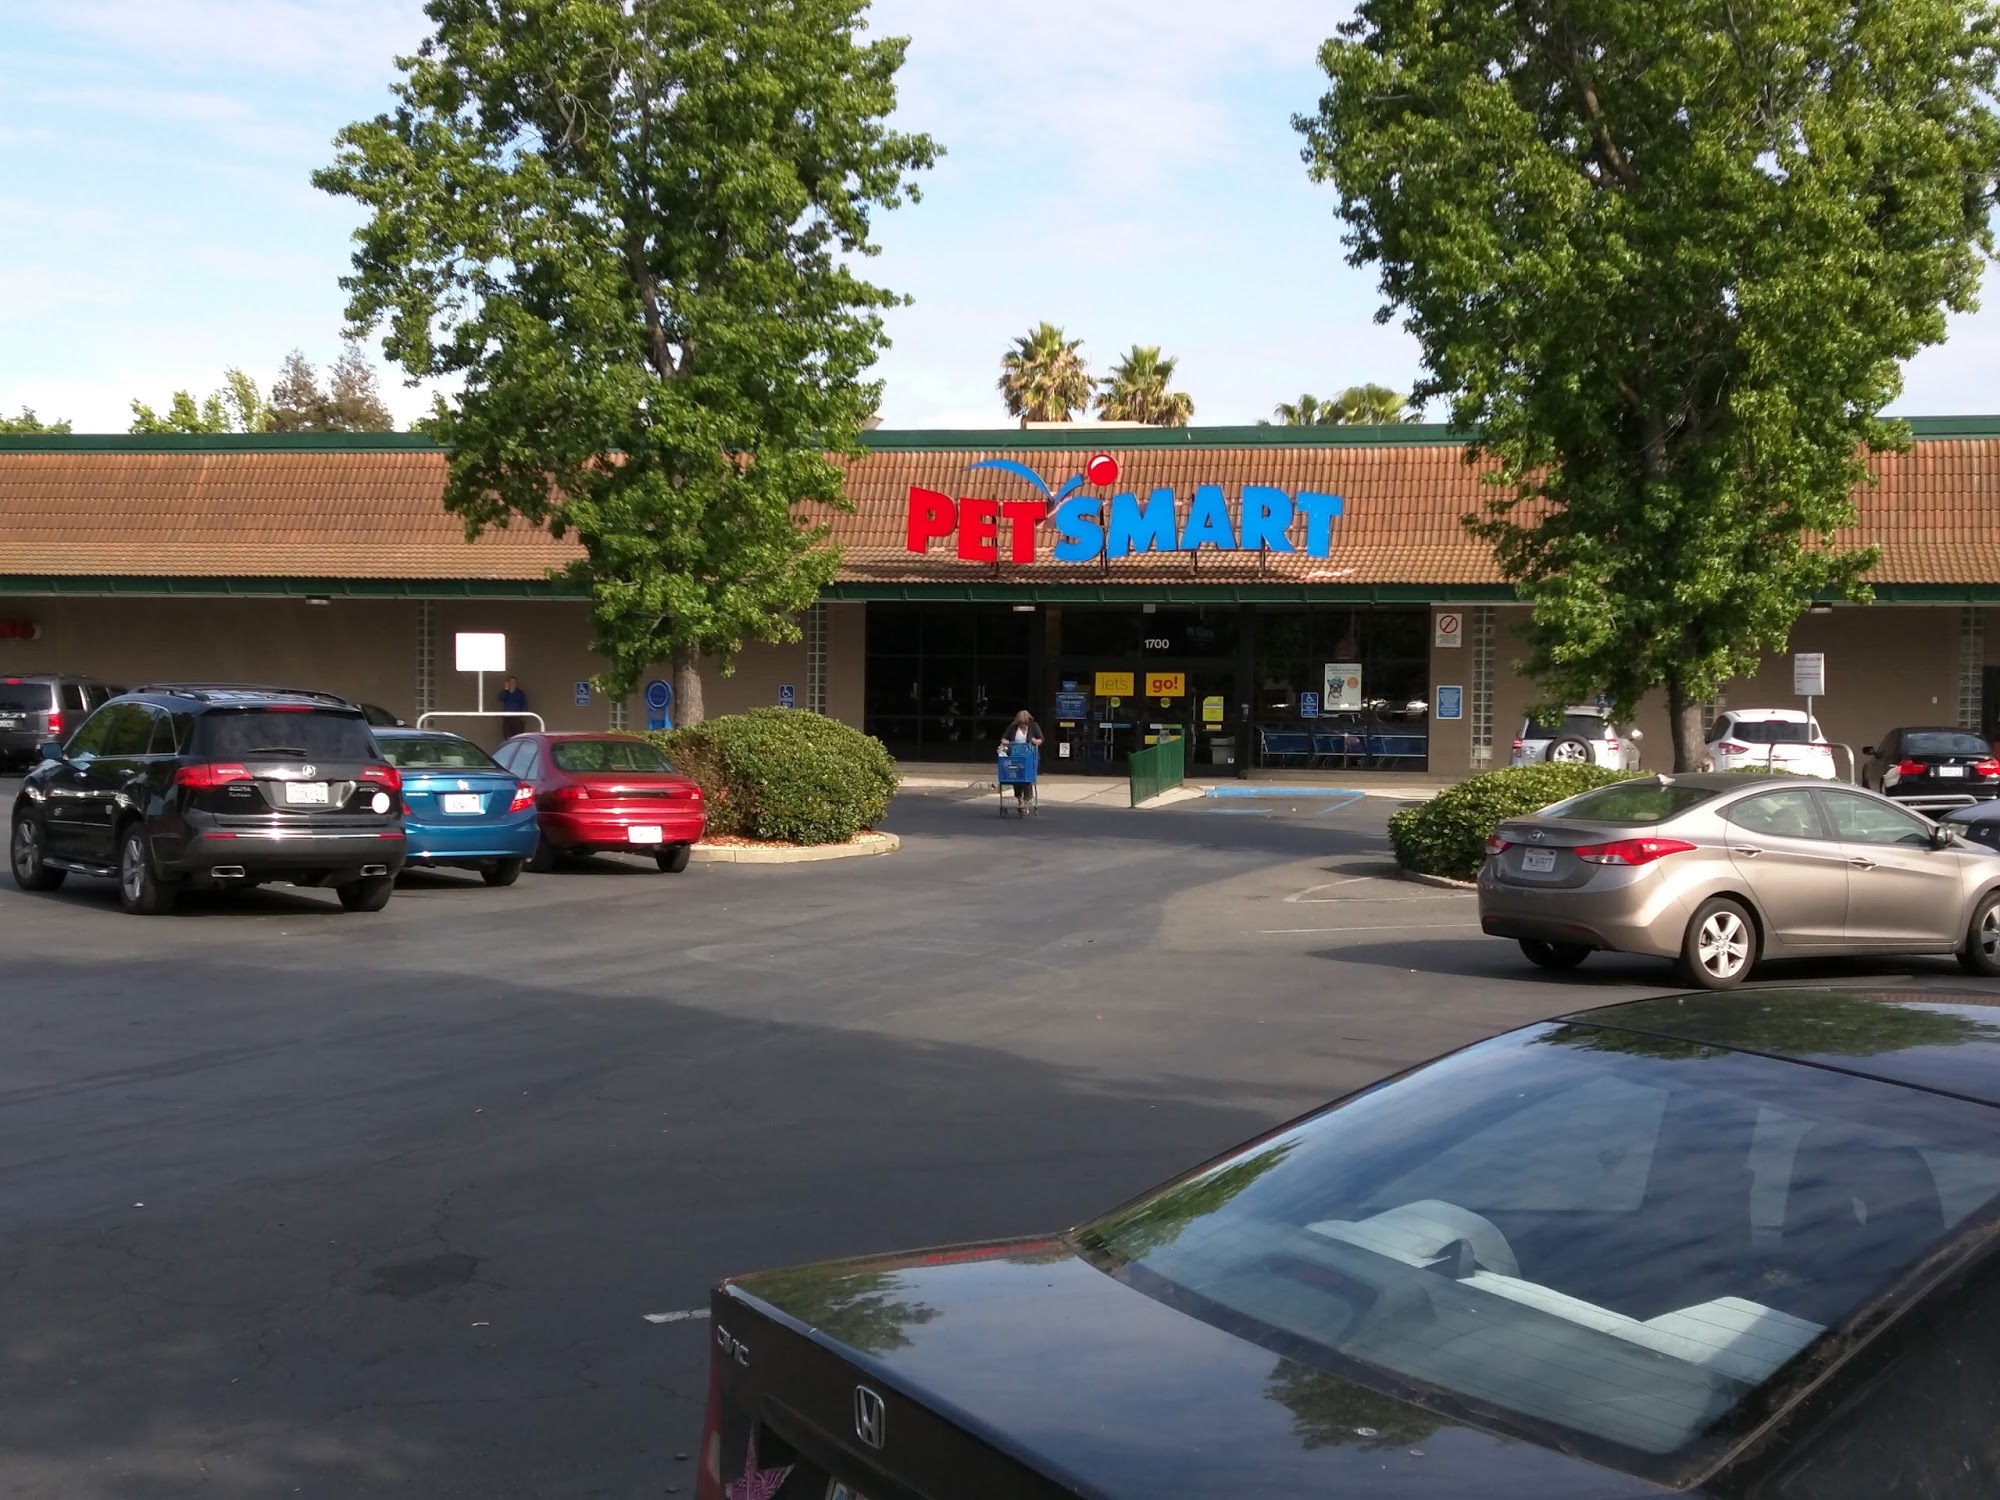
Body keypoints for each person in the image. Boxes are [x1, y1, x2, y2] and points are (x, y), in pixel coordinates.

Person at [998, 709, 1043, 809]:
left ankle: (1027, 800)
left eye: (1025, 724)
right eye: (1021, 723)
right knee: (1017, 778)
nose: (1023, 725)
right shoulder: (1013, 727)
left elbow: (1041, 739)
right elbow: (1004, 738)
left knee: (1027, 779)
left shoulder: (1034, 726)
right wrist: (1006, 742)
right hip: (1016, 756)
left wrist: (1035, 741)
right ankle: (1019, 797)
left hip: (1029, 756)